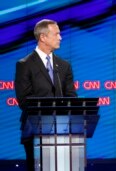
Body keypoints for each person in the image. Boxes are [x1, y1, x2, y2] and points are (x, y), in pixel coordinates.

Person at [14, 19, 77, 171]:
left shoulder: (64, 65)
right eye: (56, 34)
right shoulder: (25, 64)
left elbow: (71, 97)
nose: (60, 38)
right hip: (35, 129)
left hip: (62, 130)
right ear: (43, 37)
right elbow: (24, 100)